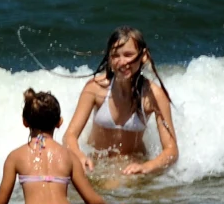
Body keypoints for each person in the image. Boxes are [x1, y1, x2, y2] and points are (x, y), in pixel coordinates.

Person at [0, 89, 129, 204]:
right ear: (59, 122)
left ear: (25, 122)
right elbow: (92, 201)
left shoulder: (15, 157)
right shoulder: (69, 156)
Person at [62, 26, 178, 175]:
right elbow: (69, 136)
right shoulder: (95, 89)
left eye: (128, 54)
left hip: (133, 167)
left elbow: (171, 150)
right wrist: (79, 156)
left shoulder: (154, 96)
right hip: (96, 164)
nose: (122, 62)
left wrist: (147, 167)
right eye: (115, 55)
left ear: (144, 56)